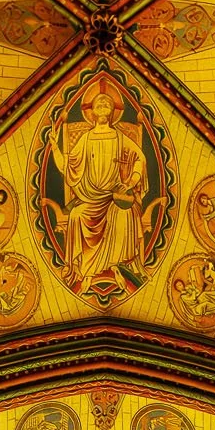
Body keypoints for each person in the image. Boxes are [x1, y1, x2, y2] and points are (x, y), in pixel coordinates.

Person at [49, 77, 149, 301]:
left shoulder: (120, 137)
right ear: (92, 112)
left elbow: (140, 159)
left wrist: (130, 182)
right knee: (76, 215)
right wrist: (55, 147)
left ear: (113, 111)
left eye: (107, 103)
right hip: (90, 197)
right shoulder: (86, 139)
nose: (103, 105)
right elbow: (67, 167)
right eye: (99, 103)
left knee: (125, 214)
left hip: (114, 197)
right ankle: (84, 271)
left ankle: (115, 265)